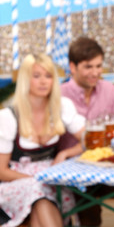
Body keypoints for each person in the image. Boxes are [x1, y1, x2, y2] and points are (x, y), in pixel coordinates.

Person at [0, 54, 85, 227]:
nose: (43, 82)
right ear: (25, 80)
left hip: (52, 181)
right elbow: (1, 171)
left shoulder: (61, 107)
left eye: (48, 76)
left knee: (40, 207)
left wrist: (64, 153)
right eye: (36, 76)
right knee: (37, 192)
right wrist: (36, 179)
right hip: (17, 182)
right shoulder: (8, 117)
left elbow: (91, 140)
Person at [60, 37, 114, 226]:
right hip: (74, 172)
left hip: (106, 166)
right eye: (88, 67)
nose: (95, 73)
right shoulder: (60, 94)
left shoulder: (108, 90)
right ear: (73, 66)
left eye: (99, 66)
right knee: (87, 210)